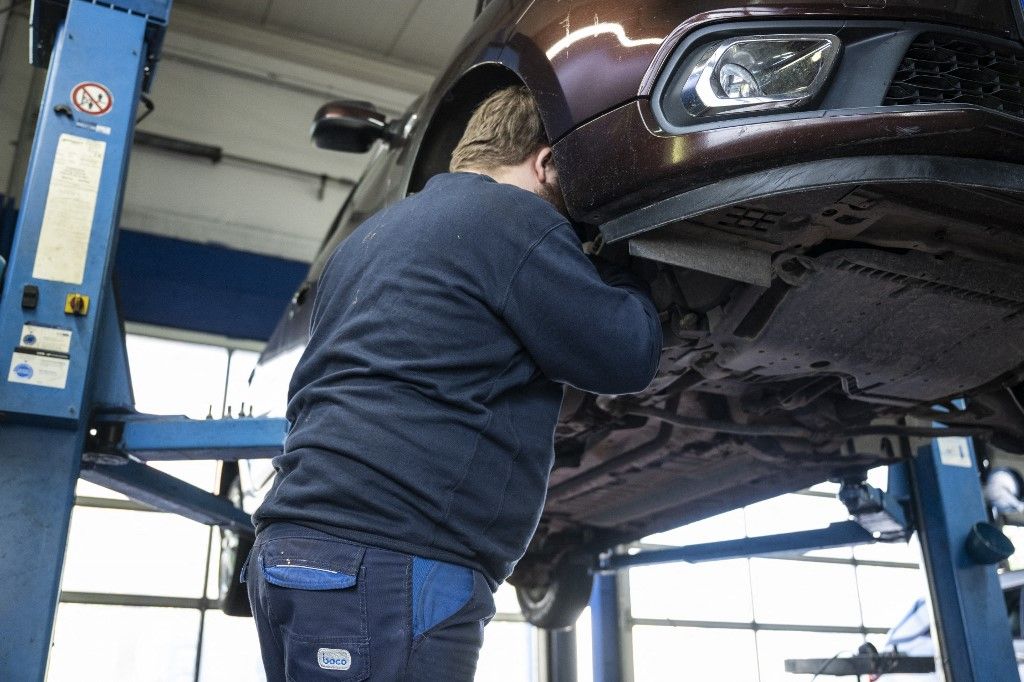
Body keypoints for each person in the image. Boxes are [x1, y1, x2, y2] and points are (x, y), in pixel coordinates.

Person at [243, 86, 662, 680]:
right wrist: (623, 257)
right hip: (389, 560)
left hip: (292, 553)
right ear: (545, 163)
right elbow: (626, 355)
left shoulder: (365, 240)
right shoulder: (512, 216)